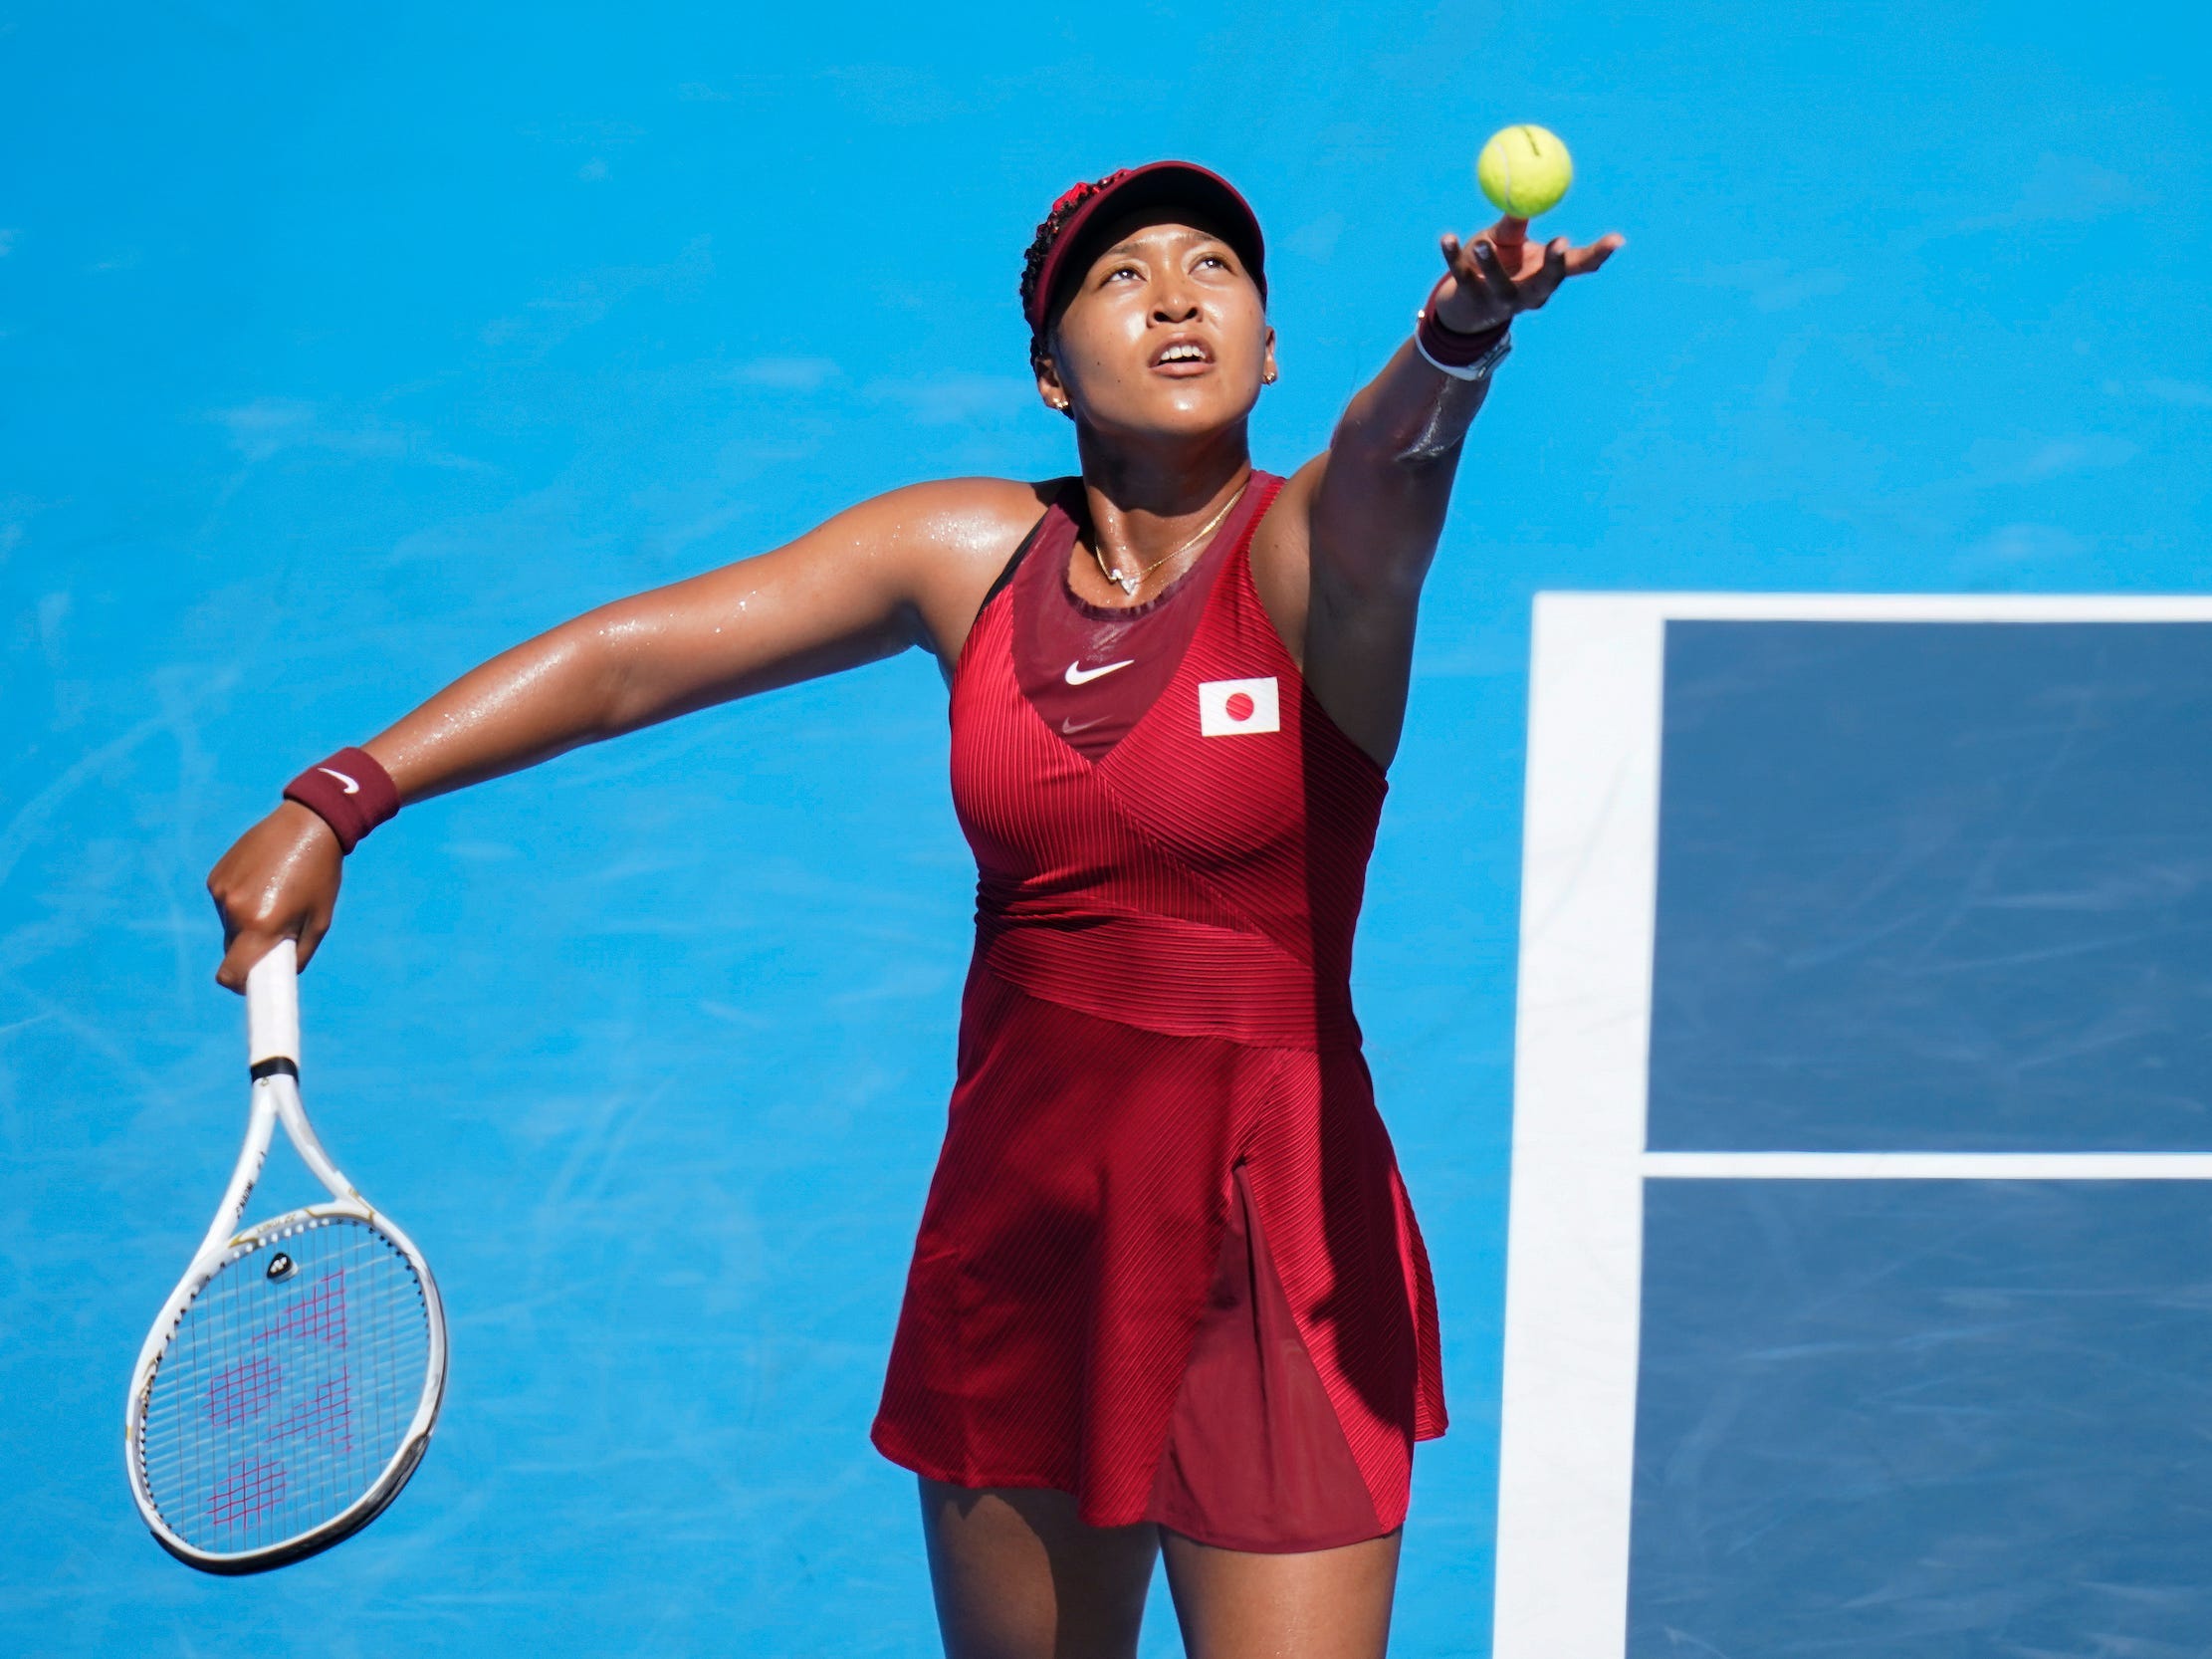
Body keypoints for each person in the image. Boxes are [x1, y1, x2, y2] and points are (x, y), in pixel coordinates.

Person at [206, 160, 1621, 1659]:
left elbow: (1393, 463)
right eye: (1116, 276)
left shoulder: (1308, 560)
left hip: (1279, 1244)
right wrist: (343, 796)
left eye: (1211, 266)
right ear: (1048, 377)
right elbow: (634, 659)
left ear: (1269, 347)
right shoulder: (963, 554)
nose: (1171, 293)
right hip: (1026, 1233)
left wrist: (1459, 337)